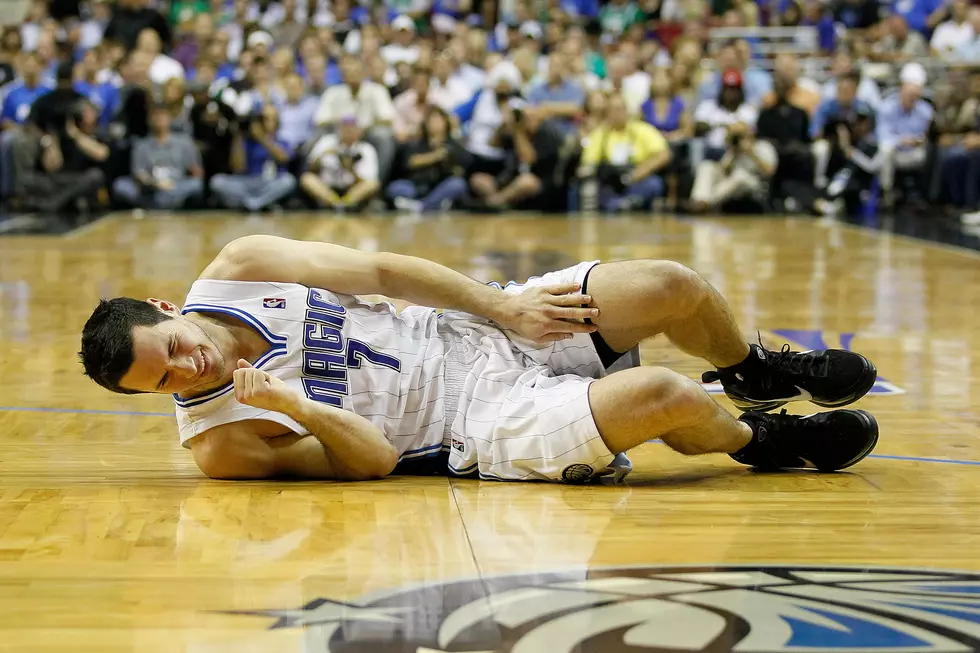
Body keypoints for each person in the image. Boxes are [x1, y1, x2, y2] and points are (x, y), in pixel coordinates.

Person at [78, 237, 880, 483]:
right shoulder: (224, 442)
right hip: (476, 422)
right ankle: (764, 442)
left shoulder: (242, 265)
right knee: (666, 393)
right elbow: (376, 461)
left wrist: (502, 305)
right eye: (164, 382)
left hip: (475, 331)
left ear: (166, 307)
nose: (187, 371)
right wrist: (300, 410)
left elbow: (385, 273)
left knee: (672, 285)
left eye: (173, 349)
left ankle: (750, 366)